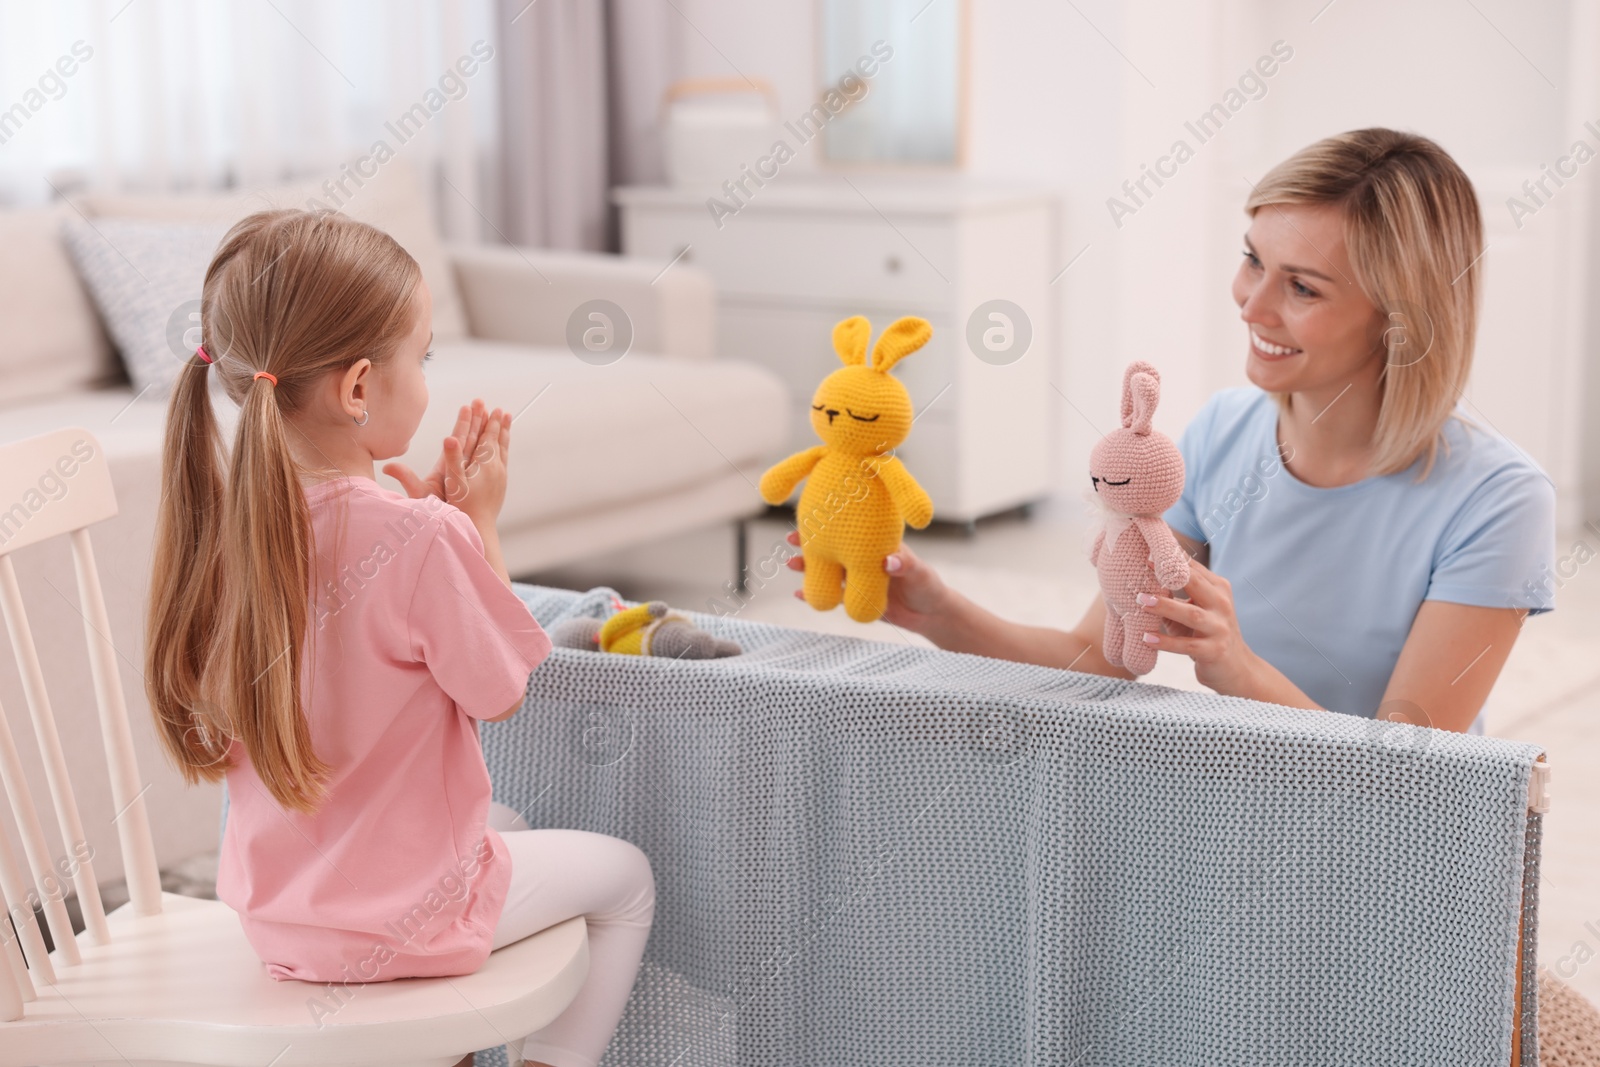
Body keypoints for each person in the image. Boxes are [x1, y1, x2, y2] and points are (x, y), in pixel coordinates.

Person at [788, 128, 1555, 735]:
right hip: (1237, 810)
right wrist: (939, 610)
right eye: (1254, 261)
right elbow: (1096, 660)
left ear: (1400, 321)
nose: (1252, 305)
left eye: (1303, 287)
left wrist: (1239, 668)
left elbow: (1411, 778)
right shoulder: (1223, 432)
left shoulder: (1497, 500)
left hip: (1391, 860)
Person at [144, 208, 654, 1067]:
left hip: (278, 919)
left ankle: (437, 1048)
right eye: (423, 357)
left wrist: (443, 531)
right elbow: (502, 690)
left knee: (507, 818)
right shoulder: (421, 536)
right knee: (625, 878)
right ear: (356, 389)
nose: (426, 378)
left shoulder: (218, 530)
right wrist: (476, 527)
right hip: (402, 920)